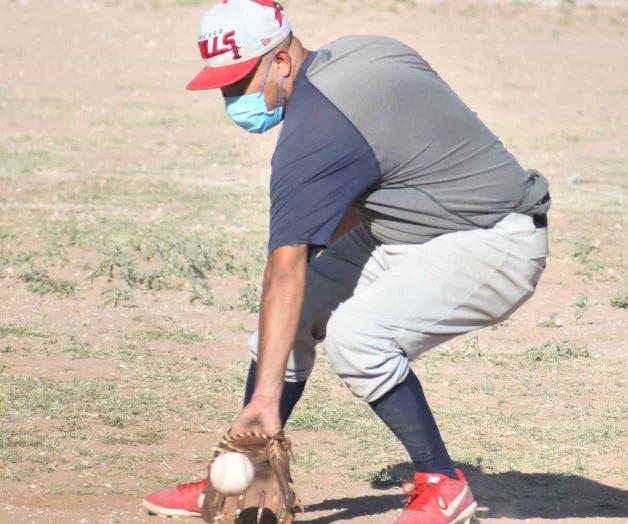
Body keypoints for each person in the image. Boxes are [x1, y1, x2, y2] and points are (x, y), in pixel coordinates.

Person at [143, 0, 551, 522]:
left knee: (357, 338)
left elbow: (284, 265)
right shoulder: (364, 51)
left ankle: (442, 482)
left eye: (238, 82)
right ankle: (248, 474)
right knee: (285, 324)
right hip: (413, 229)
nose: (230, 98)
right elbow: (395, 164)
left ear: (282, 62)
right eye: (221, 85)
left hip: (495, 241)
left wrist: (265, 400)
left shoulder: (315, 129)